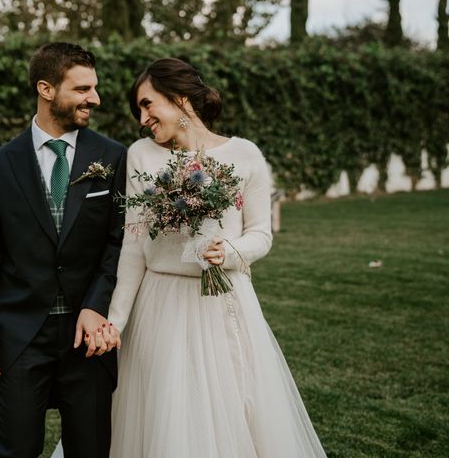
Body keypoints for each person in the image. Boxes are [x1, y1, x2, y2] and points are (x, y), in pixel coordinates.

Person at [105, 58, 328, 457]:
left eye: (147, 104)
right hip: (160, 306)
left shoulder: (245, 155)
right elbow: (134, 246)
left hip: (224, 300)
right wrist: (117, 321)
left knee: (234, 406)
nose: (143, 119)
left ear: (178, 98)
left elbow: (261, 234)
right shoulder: (141, 155)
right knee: (165, 413)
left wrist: (230, 251)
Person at [0, 42, 126, 458]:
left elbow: (117, 242)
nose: (95, 98)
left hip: (86, 337)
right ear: (46, 89)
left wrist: (96, 305)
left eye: (94, 88)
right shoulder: (2, 163)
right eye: (83, 89)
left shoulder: (112, 156)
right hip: (20, 335)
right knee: (14, 450)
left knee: (89, 450)